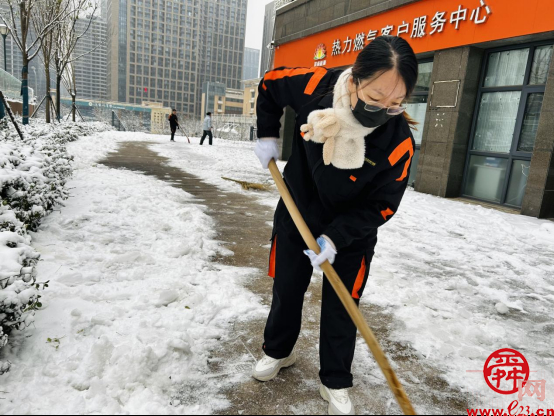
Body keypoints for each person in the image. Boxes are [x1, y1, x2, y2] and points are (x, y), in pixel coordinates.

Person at [252, 36, 418, 416]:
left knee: (343, 305)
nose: (384, 110)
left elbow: (383, 205)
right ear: (356, 78)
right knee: (287, 288)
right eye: (376, 98)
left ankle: (335, 379)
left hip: (351, 234)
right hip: (297, 211)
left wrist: (335, 237)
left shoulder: (398, 143)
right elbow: (270, 85)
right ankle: (278, 350)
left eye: (396, 104)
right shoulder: (317, 87)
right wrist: (267, 134)